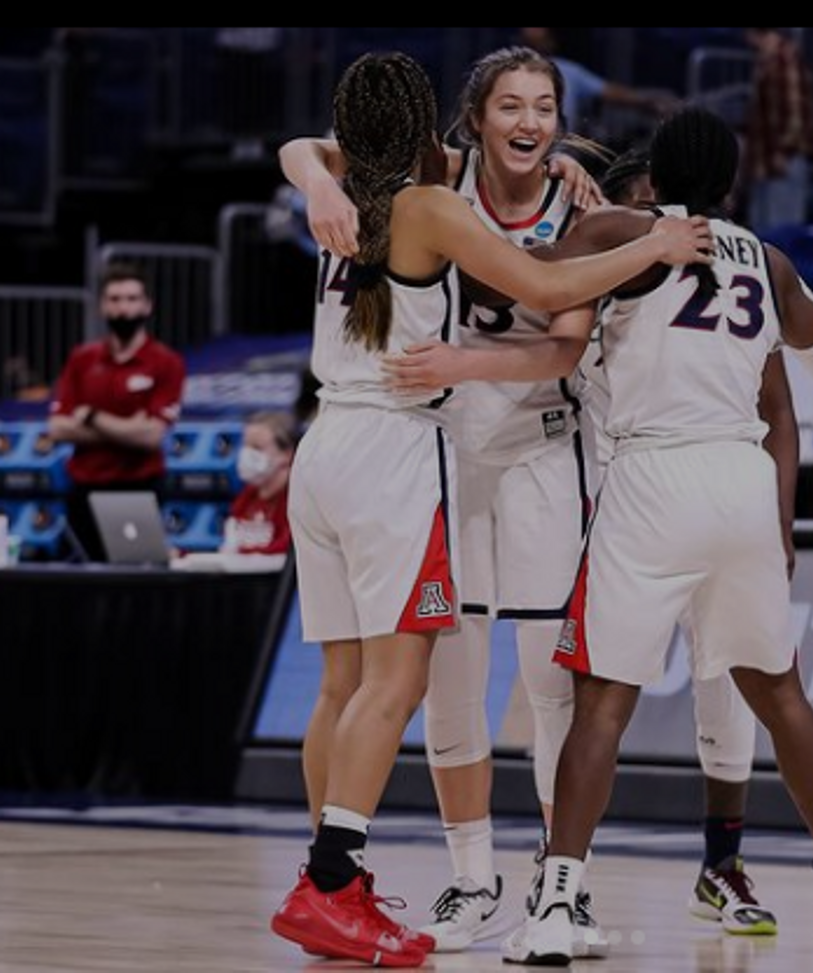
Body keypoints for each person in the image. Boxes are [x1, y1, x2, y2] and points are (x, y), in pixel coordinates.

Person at [387, 107, 813, 963]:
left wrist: (451, 217)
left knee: (603, 698)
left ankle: (557, 895)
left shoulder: (627, 227)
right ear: (734, 178)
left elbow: (516, 280)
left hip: (655, 477)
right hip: (744, 481)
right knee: (781, 692)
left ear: (654, 173)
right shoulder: (768, 261)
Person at [268, 51, 710, 968]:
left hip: (490, 439)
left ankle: (556, 880)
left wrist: (468, 360)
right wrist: (315, 175)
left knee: (516, 679)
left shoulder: (577, 201)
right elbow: (307, 150)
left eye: (545, 105)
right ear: (461, 121)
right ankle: (430, 878)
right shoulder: (432, 182)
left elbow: (558, 338)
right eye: (511, 103)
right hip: (417, 447)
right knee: (430, 683)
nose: (531, 118)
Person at [597, 146, 788, 937]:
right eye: (641, 208)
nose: (666, 225)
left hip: (691, 485)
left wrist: (780, 521)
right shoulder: (589, 276)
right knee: (576, 694)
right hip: (606, 494)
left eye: (661, 204)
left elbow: (786, 395)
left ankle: (722, 863)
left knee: (727, 676)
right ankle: (558, 873)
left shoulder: (728, 273)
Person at [47, 263, 185, 562]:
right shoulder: (82, 359)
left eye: (132, 299)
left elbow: (150, 436)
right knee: (76, 583)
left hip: (136, 489)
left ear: (147, 305)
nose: (124, 308)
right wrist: (127, 428)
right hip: (84, 489)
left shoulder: (165, 362)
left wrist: (92, 417)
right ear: (102, 305)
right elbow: (58, 428)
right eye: (115, 299)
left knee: (132, 581)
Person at [519, 28, 677, 136]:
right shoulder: (508, 72)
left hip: (559, 159)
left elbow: (614, 93)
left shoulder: (569, 71)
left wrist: (654, 101)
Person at [743, 27, 813, 232]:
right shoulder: (768, 62)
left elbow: (795, 112)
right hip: (766, 162)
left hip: (783, 161)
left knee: (784, 232)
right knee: (763, 233)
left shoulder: (784, 60)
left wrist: (784, 150)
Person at [222, 410, 296, 555]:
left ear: (286, 454)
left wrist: (242, 554)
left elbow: (286, 550)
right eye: (245, 446)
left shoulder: (295, 499)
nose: (247, 454)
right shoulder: (246, 497)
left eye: (257, 447)